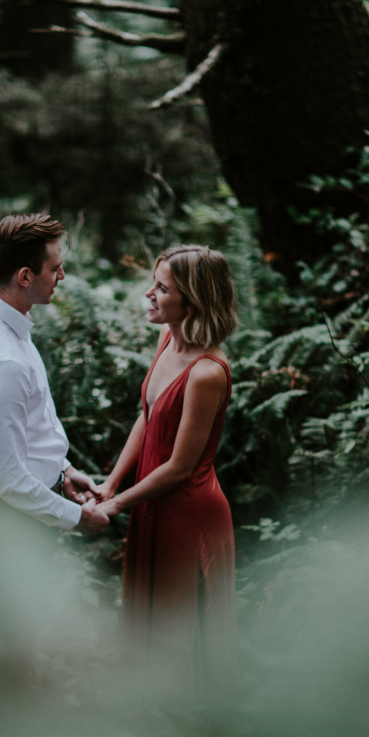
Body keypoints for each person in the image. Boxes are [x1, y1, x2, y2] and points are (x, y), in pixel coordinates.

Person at [0, 213, 109, 656]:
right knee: (12, 638)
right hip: (12, 516)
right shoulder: (2, 365)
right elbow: (10, 480)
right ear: (25, 276)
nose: (63, 275)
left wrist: (63, 468)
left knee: (14, 626)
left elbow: (24, 427)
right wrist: (78, 517)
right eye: (55, 267)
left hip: (12, 502)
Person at [97, 246, 239, 684]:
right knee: (149, 626)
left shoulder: (206, 372)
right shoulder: (166, 338)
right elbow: (149, 414)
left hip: (188, 515)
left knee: (180, 636)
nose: (149, 294)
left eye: (162, 288)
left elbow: (179, 466)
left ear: (193, 299)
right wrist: (110, 483)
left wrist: (115, 505)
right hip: (150, 503)